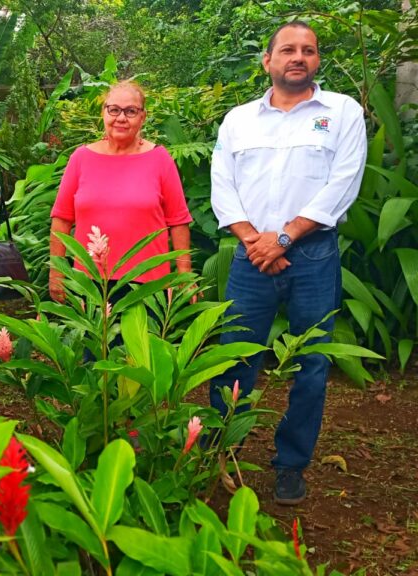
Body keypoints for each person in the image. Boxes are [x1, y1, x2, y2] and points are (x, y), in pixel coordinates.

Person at [209, 22, 367, 505]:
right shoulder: (239, 119)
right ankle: (218, 450)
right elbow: (223, 184)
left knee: (312, 363)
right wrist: (256, 241)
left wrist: (282, 238)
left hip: (313, 256)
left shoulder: (341, 112)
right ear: (268, 61)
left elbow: (343, 182)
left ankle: (291, 465)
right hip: (250, 255)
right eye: (287, 50)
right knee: (234, 356)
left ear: (317, 60)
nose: (298, 57)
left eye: (308, 50)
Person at [49, 80, 194, 303]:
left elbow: (178, 221)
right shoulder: (81, 158)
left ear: (143, 117)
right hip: (90, 284)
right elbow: (61, 220)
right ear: (103, 112)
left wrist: (184, 274)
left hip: (148, 285)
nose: (121, 118)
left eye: (131, 111)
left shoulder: (159, 158)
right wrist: (57, 273)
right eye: (114, 110)